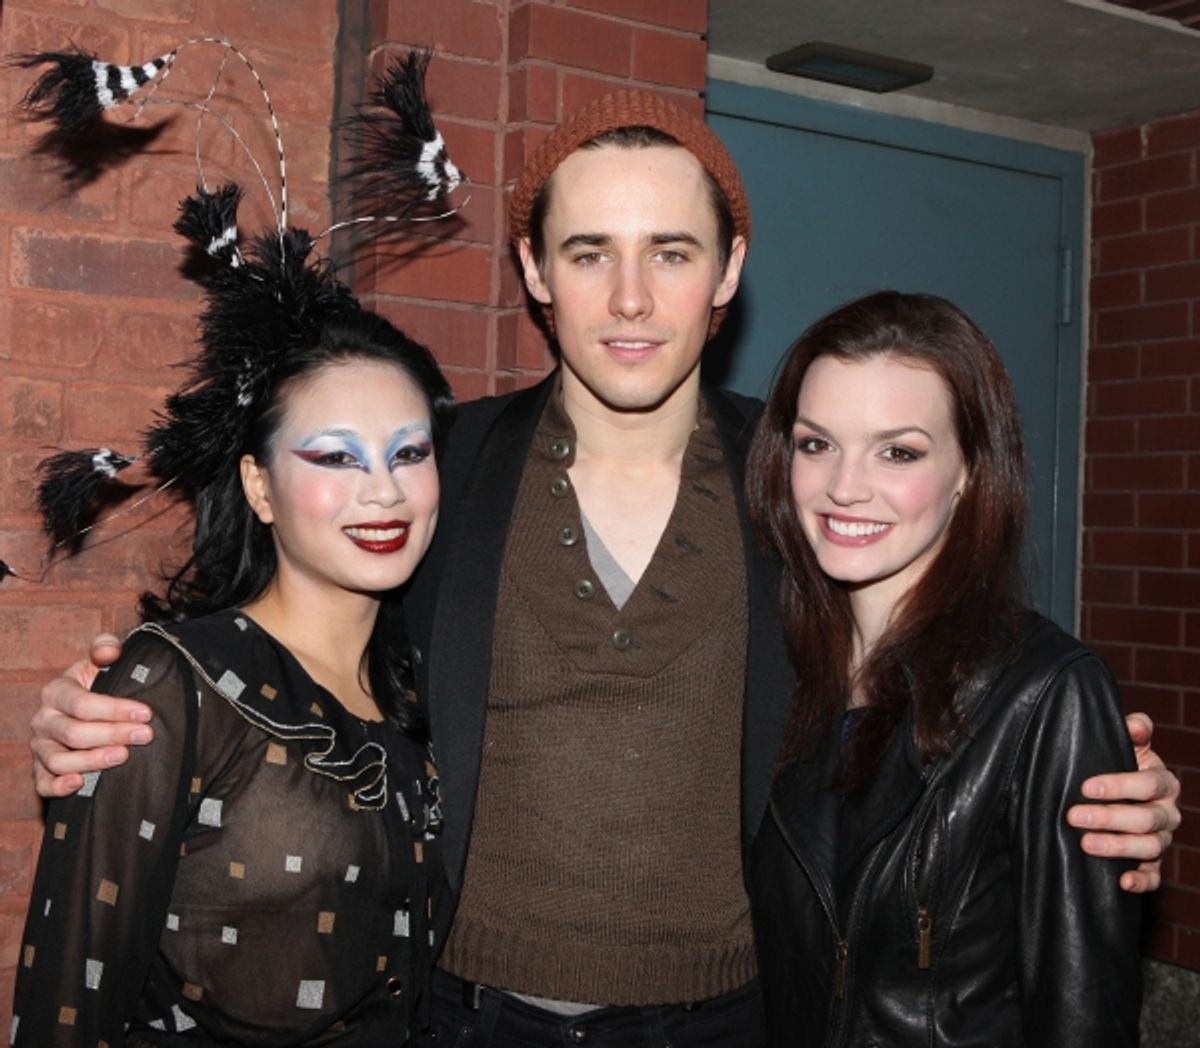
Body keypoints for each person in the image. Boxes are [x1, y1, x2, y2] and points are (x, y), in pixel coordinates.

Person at [28, 91, 1179, 1047]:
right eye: (591, 254)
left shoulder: (808, 486)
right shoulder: (441, 473)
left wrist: (1093, 793)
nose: (631, 300)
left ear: (729, 269)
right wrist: (115, 715)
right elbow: (299, 659)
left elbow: (944, 664)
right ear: (535, 268)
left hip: (736, 1021)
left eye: (670, 253)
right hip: (469, 1016)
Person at [745, 290, 1142, 1045]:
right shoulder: (774, 670)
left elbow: (1083, 1012)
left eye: (898, 451)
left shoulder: (1045, 693)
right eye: (816, 443)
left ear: (969, 470)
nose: (845, 487)